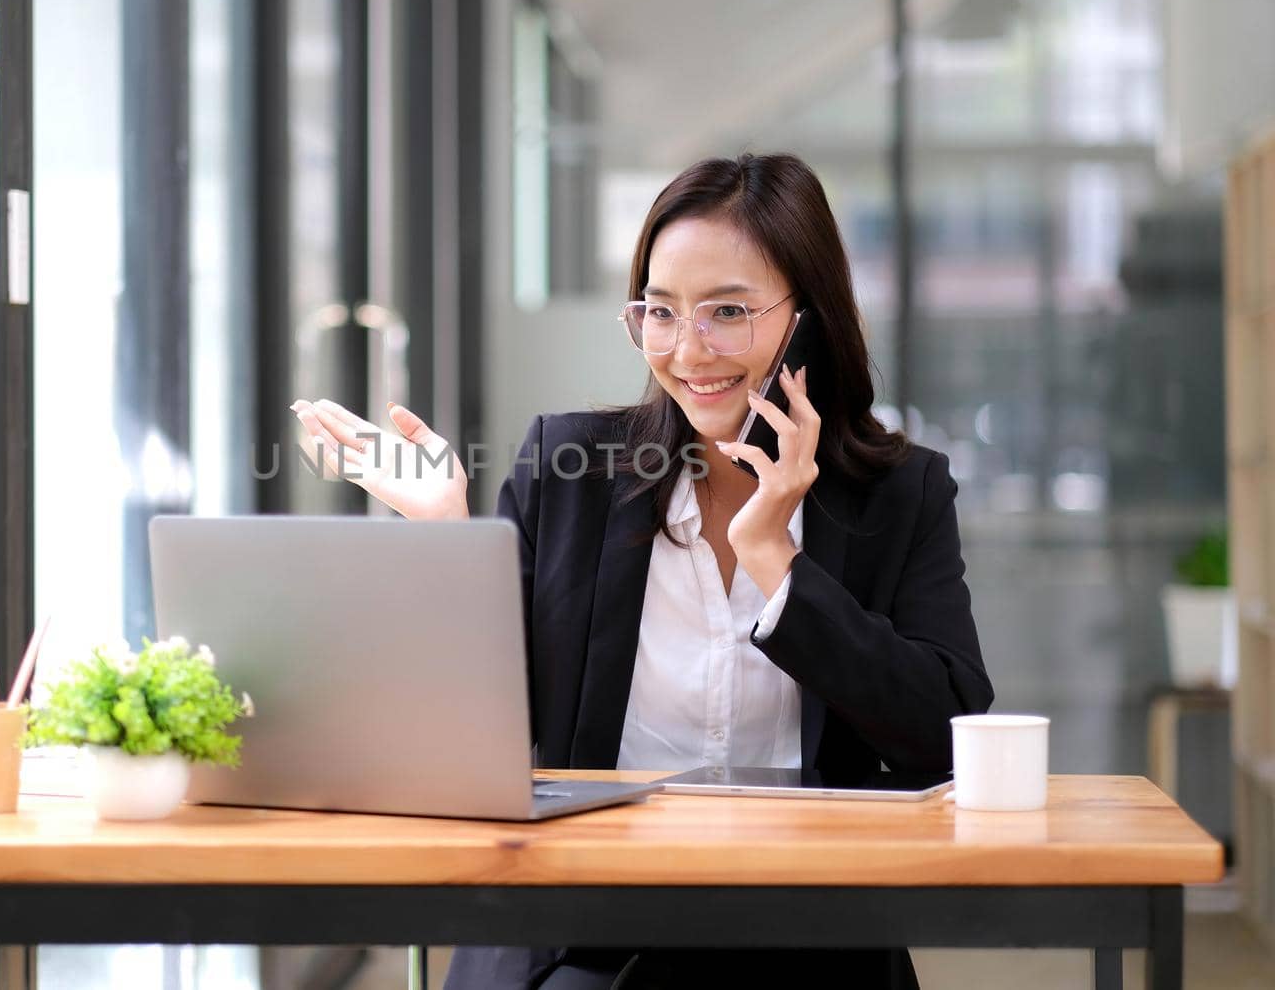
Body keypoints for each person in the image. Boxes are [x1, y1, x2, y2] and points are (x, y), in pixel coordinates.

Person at [290, 153, 993, 989]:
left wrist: (779, 562)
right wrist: (446, 535)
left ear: (808, 319)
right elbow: (477, 736)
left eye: (727, 310)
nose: (689, 350)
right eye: (660, 312)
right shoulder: (570, 467)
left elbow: (942, 735)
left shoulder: (900, 494)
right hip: (585, 935)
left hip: (806, 937)